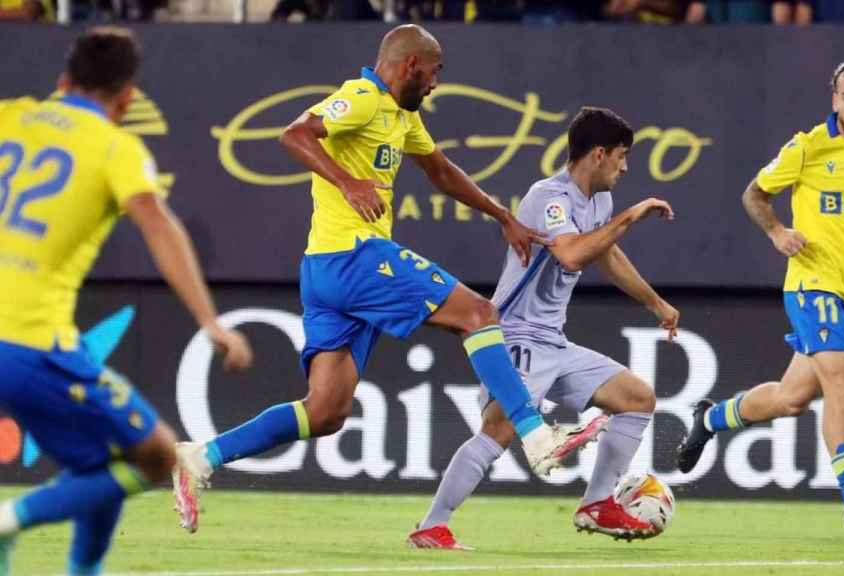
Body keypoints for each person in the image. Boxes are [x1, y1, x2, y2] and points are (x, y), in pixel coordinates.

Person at [171, 24, 603, 533]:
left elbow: (439, 169)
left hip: (326, 270)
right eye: (436, 72)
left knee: (327, 411)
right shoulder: (361, 97)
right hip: (355, 256)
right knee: (479, 314)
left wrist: (501, 215)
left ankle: (200, 456)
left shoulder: (399, 116)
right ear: (411, 65)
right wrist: (348, 181)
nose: (437, 84)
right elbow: (294, 135)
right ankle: (535, 435)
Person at [0, 27, 253, 574]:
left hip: (28, 347)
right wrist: (211, 323)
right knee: (158, 456)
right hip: (28, 344)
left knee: (103, 470)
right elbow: (158, 225)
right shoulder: (116, 147)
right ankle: (9, 520)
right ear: (128, 98)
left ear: (61, 80)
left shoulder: (11, 115)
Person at [408, 107, 679, 549]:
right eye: (622, 156)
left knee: (636, 397)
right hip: (515, 337)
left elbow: (604, 254)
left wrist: (655, 303)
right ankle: (430, 526)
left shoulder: (599, 202)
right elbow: (572, 254)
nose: (625, 167)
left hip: (553, 341)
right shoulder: (547, 197)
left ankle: (596, 504)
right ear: (598, 154)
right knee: (498, 431)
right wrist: (634, 215)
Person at [676, 60, 844, 538]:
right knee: (843, 383)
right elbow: (754, 195)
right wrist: (778, 232)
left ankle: (711, 417)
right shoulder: (807, 146)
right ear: (834, 100)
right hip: (811, 284)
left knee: (791, 400)